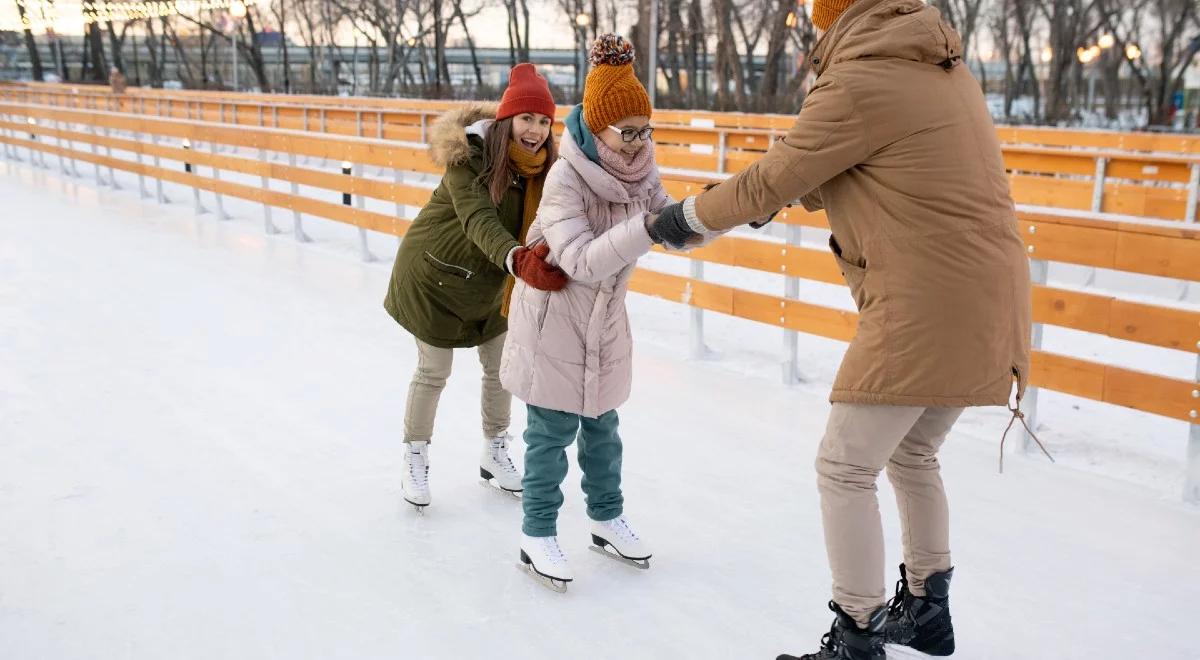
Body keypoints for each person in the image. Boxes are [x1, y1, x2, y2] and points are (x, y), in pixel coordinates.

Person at [645, 0, 1032, 657]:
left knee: (845, 465)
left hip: (928, 303)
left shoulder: (859, 80)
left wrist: (690, 217)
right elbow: (866, 165)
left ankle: (858, 637)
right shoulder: (940, 68)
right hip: (991, 297)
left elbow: (782, 171)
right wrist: (772, 195)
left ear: (834, 16)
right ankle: (927, 611)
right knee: (912, 451)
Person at [500, 35, 685, 589]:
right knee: (550, 435)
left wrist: (725, 210)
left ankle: (606, 520)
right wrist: (648, 229)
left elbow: (672, 222)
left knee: (604, 431)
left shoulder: (641, 171)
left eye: (644, 130)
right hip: (554, 323)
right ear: (597, 128)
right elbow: (580, 260)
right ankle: (538, 533)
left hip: (604, 325)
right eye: (627, 132)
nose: (637, 143)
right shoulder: (566, 179)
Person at [383, 64, 569, 511]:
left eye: (544, 121)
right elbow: (478, 220)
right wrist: (518, 259)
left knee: (501, 366)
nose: (536, 130)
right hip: (433, 277)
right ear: (507, 120)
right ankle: (415, 455)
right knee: (434, 371)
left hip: (492, 281)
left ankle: (495, 450)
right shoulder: (467, 160)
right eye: (527, 118)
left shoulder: (546, 170)